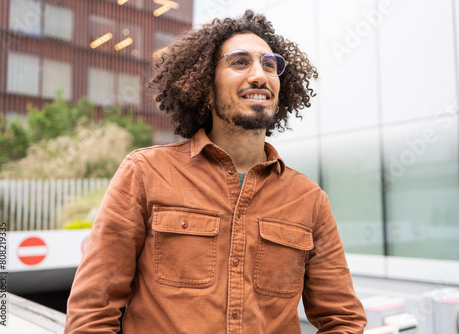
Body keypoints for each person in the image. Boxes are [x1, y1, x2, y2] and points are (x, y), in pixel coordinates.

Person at [65, 10, 367, 334]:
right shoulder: (144, 174)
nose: (259, 76)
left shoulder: (309, 200)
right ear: (206, 88)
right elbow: (92, 312)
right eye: (239, 62)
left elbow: (343, 320)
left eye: (269, 64)